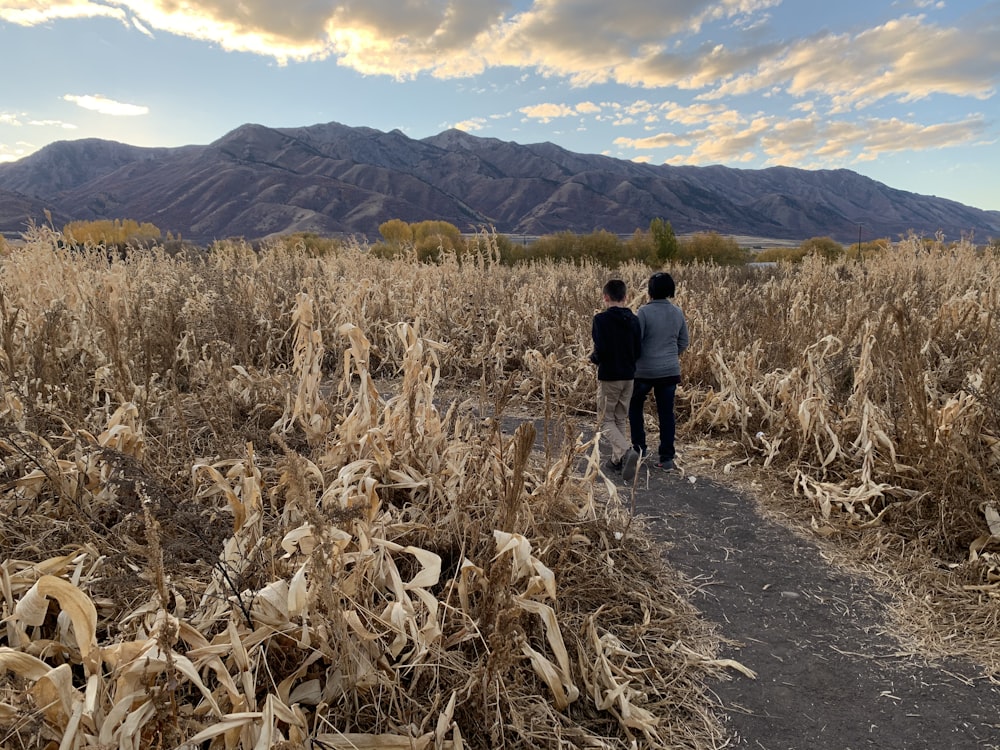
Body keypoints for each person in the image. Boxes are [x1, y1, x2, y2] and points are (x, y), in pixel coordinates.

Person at [628, 272, 689, 470]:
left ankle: (639, 449)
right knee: (666, 414)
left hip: (644, 371)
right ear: (671, 290)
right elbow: (683, 342)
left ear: (650, 290)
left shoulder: (644, 312)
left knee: (635, 406)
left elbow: (636, 341)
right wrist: (671, 355)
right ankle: (667, 457)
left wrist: (638, 360)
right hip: (670, 371)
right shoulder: (677, 312)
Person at [590, 279, 642, 482]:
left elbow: (600, 349)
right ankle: (617, 461)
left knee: (604, 421)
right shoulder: (635, 320)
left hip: (610, 375)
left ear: (605, 297)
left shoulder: (600, 320)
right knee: (620, 418)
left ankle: (627, 451)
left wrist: (593, 359)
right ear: (625, 297)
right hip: (629, 375)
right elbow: (638, 350)